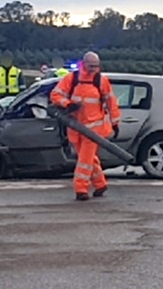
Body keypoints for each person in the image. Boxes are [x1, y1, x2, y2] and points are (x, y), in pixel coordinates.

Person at [49, 52, 121, 201]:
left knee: (84, 160)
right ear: (84, 63)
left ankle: (81, 189)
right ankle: (100, 184)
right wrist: (68, 104)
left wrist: (115, 122)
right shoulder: (72, 79)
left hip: (94, 129)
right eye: (91, 66)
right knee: (88, 158)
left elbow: (111, 102)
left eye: (97, 66)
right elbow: (55, 95)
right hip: (75, 127)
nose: (94, 69)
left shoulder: (101, 80)